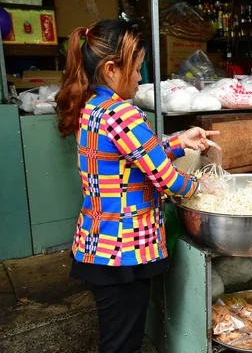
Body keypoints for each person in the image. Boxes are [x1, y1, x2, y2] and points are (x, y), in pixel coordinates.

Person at [55, 19, 217, 352]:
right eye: (138, 69)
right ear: (111, 69)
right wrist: (202, 187)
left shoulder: (94, 107)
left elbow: (134, 152)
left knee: (119, 337)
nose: (141, 78)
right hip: (122, 250)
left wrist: (178, 141)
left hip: (98, 244)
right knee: (121, 344)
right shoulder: (123, 113)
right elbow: (167, 179)